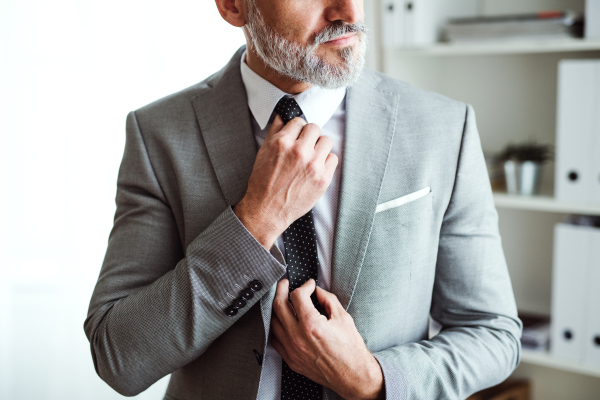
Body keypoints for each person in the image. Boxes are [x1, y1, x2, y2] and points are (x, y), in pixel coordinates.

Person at [84, 0, 522, 399]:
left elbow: (493, 333)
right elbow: (119, 357)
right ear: (234, 7)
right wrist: (256, 219)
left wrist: (372, 379)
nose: (348, 11)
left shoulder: (444, 127)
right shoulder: (158, 134)